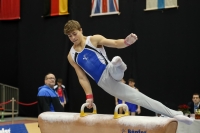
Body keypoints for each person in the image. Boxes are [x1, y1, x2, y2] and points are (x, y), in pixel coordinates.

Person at [64, 20, 193, 125]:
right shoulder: (71, 56)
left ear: (81, 30)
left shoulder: (93, 40)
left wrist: (126, 42)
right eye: (69, 36)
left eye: (74, 33)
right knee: (140, 98)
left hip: (108, 69)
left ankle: (117, 64)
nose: (73, 38)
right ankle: (175, 114)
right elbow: (82, 77)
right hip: (103, 82)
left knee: (115, 70)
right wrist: (89, 97)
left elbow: (114, 43)